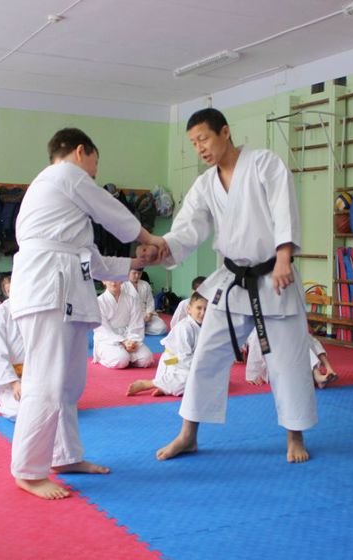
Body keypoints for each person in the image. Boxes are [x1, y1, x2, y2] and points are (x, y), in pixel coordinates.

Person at [8, 127, 164, 500]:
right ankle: (28, 470)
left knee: (68, 383)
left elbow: (92, 261)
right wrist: (150, 238)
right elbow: (110, 211)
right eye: (95, 164)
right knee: (45, 381)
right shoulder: (63, 174)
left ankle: (64, 456)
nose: (94, 172)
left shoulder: (63, 211)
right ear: (81, 152)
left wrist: (136, 262)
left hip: (65, 289)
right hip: (47, 291)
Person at [155, 108, 317, 464]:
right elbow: (188, 228)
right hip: (232, 282)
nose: (199, 148)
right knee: (206, 356)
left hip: (274, 277)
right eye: (193, 143)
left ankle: (294, 435)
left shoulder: (264, 164)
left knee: (288, 361)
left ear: (225, 132)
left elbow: (284, 208)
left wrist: (284, 257)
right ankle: (188, 434)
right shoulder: (205, 184)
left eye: (203, 138)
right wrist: (162, 247)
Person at [128, 292, 207, 397]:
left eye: (206, 309)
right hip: (174, 363)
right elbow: (184, 358)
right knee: (192, 381)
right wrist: (202, 367)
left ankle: (165, 388)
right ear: (189, 309)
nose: (203, 312)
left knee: (210, 379)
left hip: (190, 363)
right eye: (199, 308)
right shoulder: (184, 327)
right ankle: (149, 384)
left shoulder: (204, 326)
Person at [0, 276, 24, 419]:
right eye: (11, 290)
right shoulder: (0, 314)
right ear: (7, 293)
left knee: (58, 405)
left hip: (34, 373)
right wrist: (14, 383)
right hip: (9, 380)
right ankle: (1, 399)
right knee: (21, 412)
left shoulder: (37, 312)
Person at [93, 279, 155, 369]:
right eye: (109, 279)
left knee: (147, 359)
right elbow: (102, 329)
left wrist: (131, 341)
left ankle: (127, 356)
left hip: (129, 336)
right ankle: (102, 357)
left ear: (121, 280)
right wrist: (123, 341)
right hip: (108, 340)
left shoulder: (131, 300)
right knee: (121, 360)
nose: (113, 282)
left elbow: (136, 323)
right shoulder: (98, 302)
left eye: (116, 279)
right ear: (103, 281)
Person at [246, 333, 338, 389]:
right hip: (273, 359)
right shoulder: (260, 327)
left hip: (291, 356)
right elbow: (256, 345)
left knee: (304, 337)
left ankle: (324, 371)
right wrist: (252, 373)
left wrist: (328, 367)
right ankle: (315, 375)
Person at [125, 268, 167, 335]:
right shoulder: (123, 285)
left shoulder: (145, 284)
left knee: (162, 327)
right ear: (128, 272)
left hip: (145, 314)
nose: (137, 276)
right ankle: (138, 329)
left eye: (139, 273)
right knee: (122, 328)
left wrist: (149, 314)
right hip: (130, 316)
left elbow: (150, 302)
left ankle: (139, 330)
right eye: (134, 273)